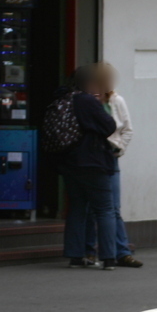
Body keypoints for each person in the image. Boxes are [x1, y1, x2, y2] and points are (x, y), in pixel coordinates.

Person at [83, 62, 142, 268]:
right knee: (92, 208)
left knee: (113, 207)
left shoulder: (117, 101)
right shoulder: (87, 99)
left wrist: (118, 148)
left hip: (110, 156)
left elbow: (127, 129)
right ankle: (89, 250)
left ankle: (122, 251)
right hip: (90, 158)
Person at [60, 65, 118, 270]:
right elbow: (109, 126)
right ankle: (109, 257)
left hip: (69, 162)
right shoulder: (86, 100)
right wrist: (99, 104)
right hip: (93, 161)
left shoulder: (64, 99)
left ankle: (75, 255)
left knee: (76, 207)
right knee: (105, 209)